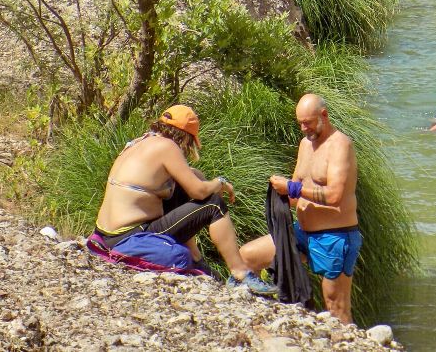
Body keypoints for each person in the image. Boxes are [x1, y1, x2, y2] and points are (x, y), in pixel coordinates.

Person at [93, 105, 277, 296]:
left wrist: (202, 179)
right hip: (132, 235)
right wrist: (219, 183)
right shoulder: (168, 147)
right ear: (186, 137)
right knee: (213, 204)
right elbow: (198, 191)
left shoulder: (140, 142)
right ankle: (240, 273)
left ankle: (196, 258)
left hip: (107, 233)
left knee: (184, 184)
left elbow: (190, 178)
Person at [240, 94, 361, 324]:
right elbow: (296, 190)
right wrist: (281, 192)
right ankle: (266, 321)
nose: (304, 128)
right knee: (247, 257)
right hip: (301, 232)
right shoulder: (306, 144)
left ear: (324, 116)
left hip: (334, 236)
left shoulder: (340, 145)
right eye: (300, 123)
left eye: (309, 122)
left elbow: (335, 196)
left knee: (337, 307)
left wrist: (292, 187)